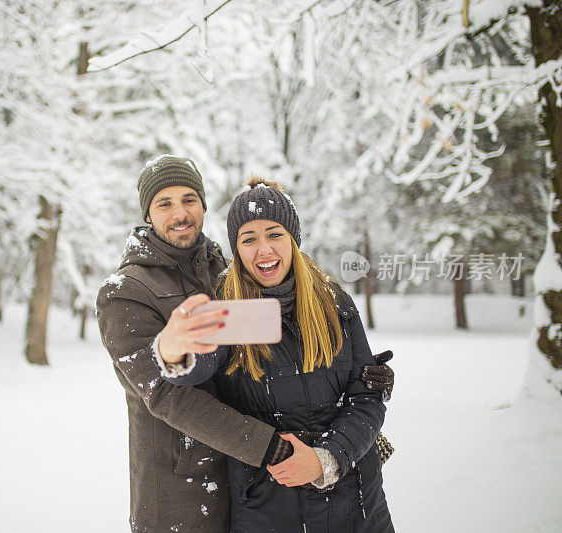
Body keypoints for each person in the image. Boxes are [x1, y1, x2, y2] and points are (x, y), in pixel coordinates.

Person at [96, 157, 394, 532]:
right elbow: (171, 391)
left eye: (189, 199)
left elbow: (358, 390)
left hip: (302, 485)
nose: (180, 213)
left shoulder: (223, 270)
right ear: (147, 213)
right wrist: (172, 353)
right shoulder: (129, 292)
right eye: (164, 203)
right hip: (191, 486)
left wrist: (364, 393)